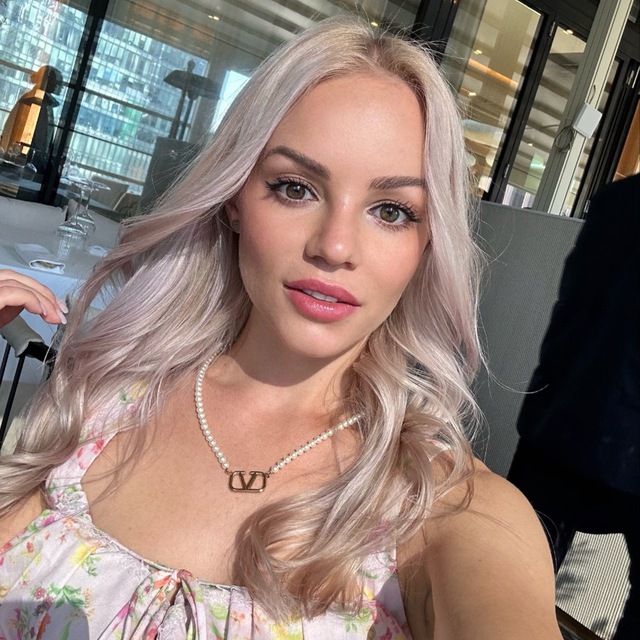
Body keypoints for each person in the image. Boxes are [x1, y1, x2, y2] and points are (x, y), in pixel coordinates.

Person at [0, 17, 561, 639]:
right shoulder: (102, 400)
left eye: (391, 211)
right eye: (295, 188)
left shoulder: (439, 502)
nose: (335, 246)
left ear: (429, 242)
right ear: (235, 198)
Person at [507, 172, 640, 639]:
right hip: (618, 441)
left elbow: (573, 304)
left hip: (558, 418)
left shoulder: (617, 199)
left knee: (512, 574)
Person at [0, 65, 63, 175]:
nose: (61, 87)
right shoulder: (34, 101)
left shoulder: (42, 102)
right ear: (48, 81)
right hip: (25, 163)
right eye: (58, 82)